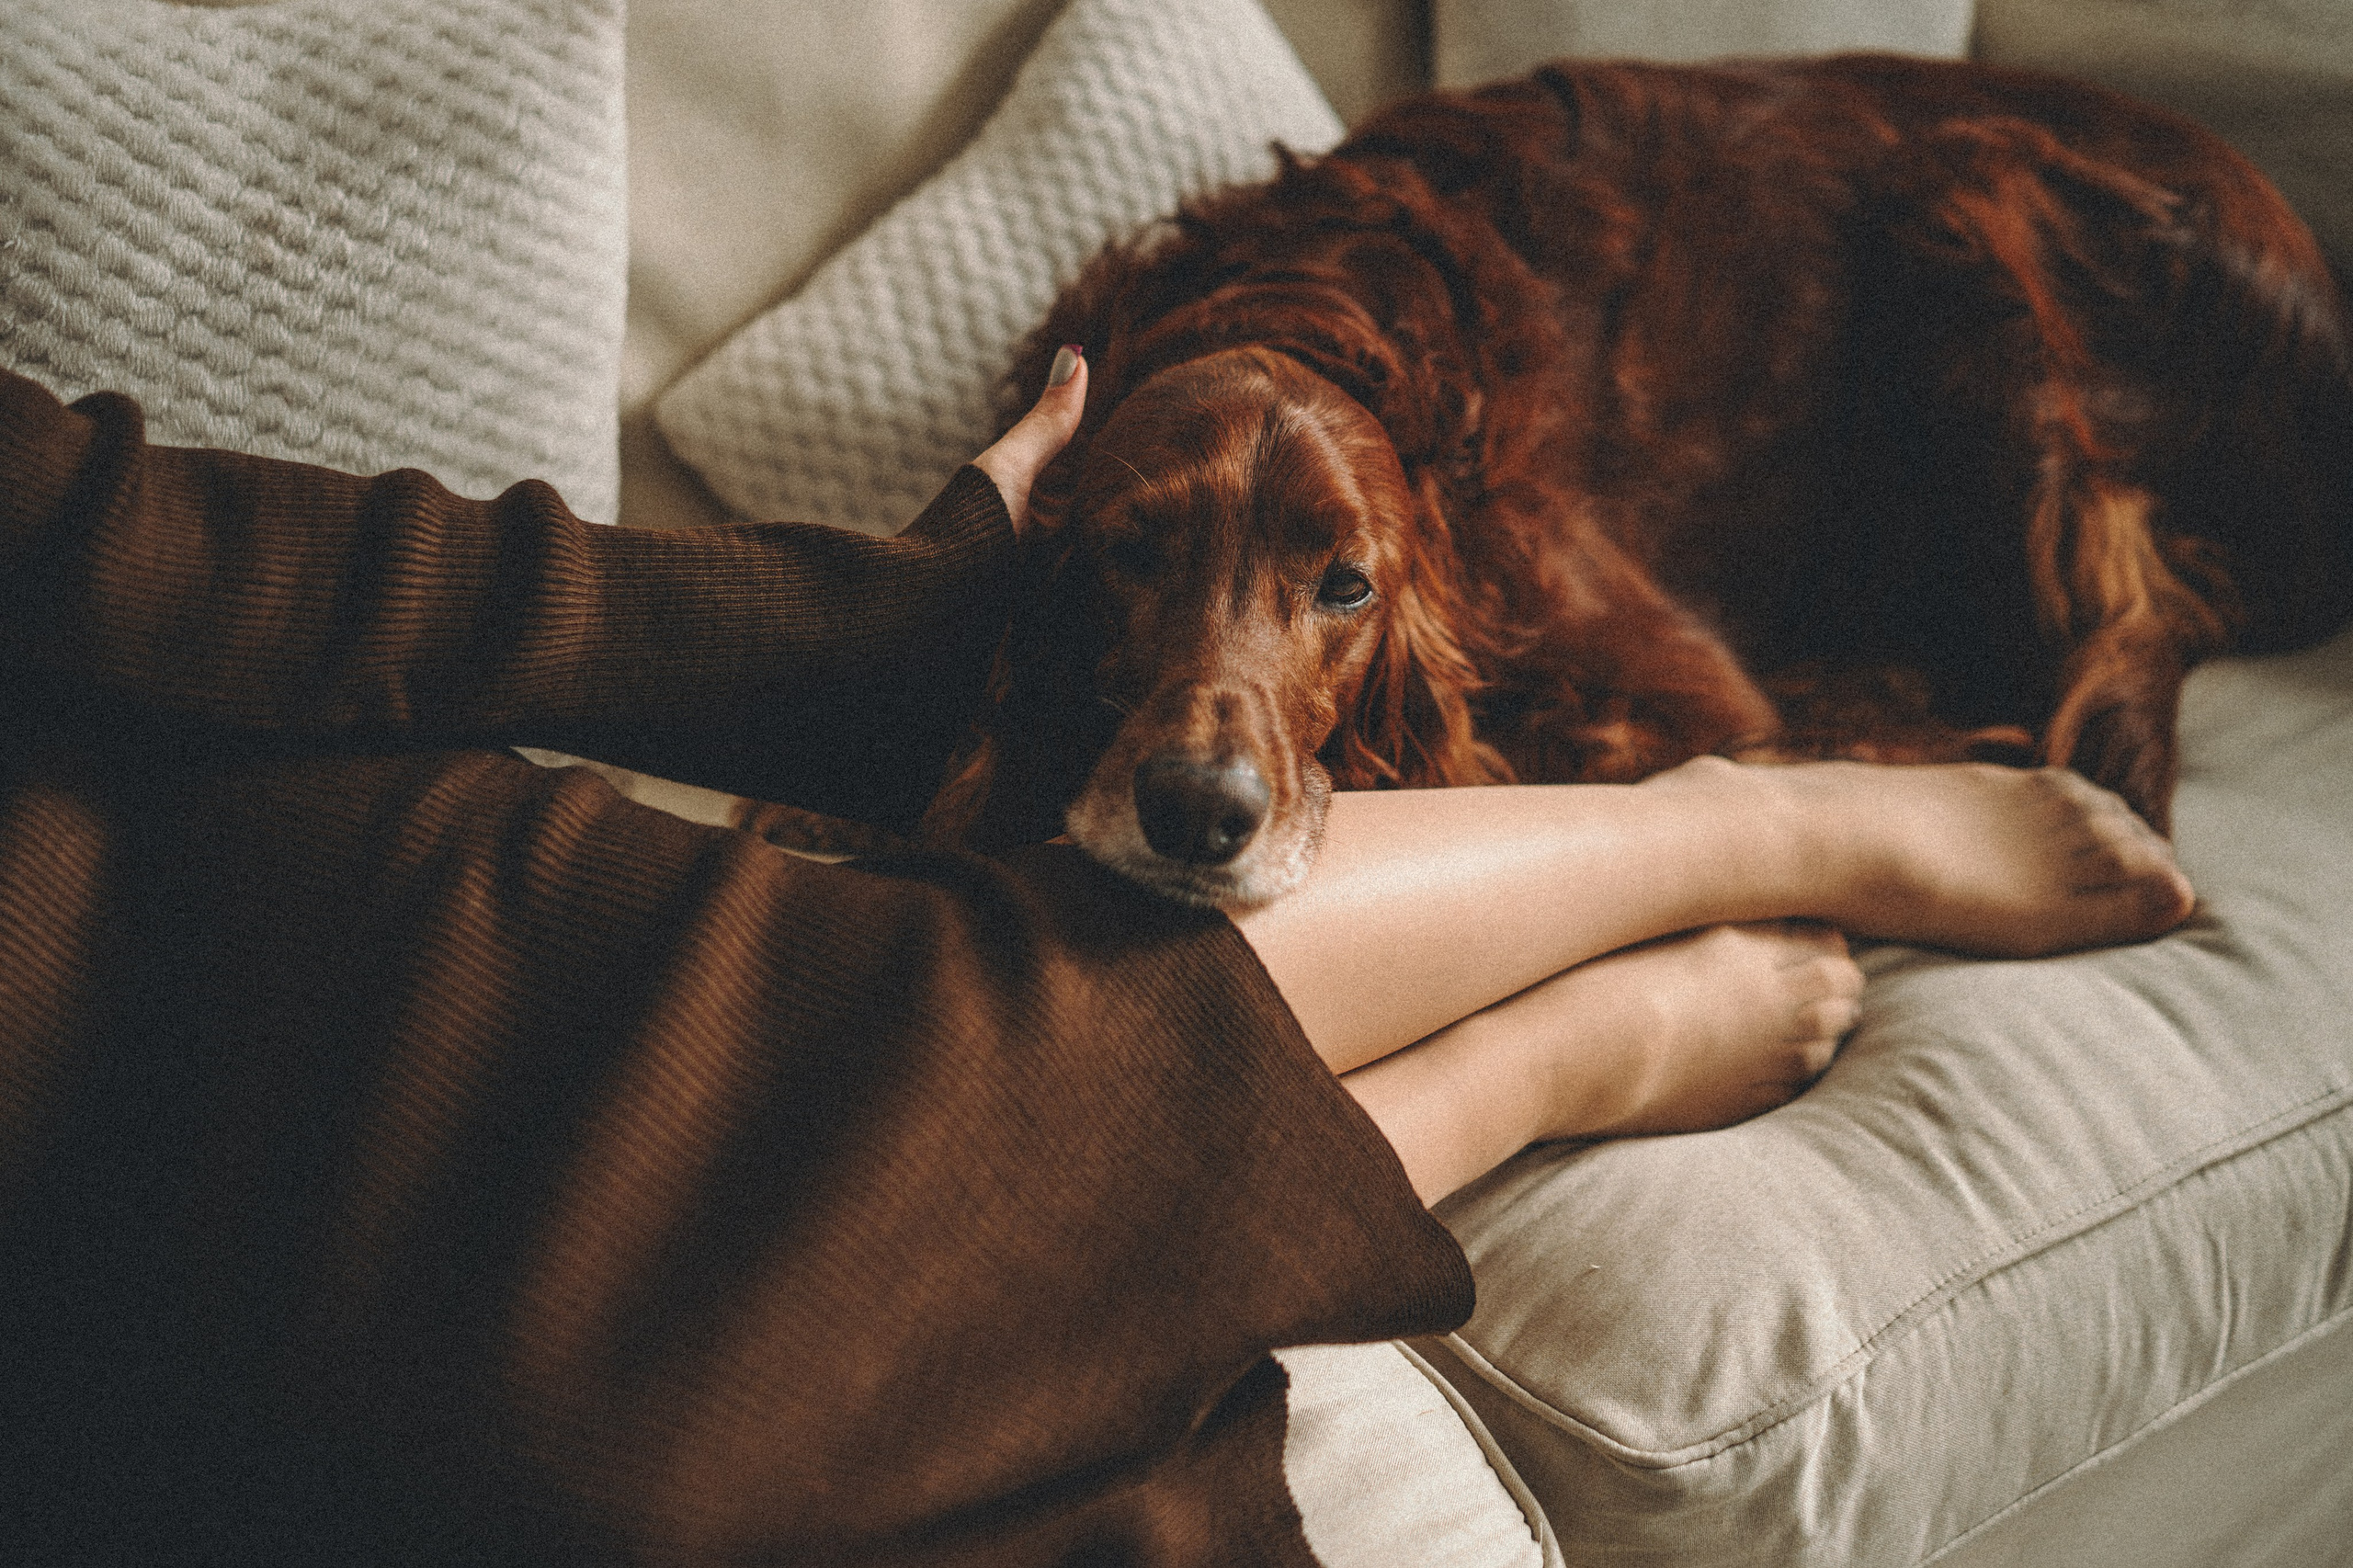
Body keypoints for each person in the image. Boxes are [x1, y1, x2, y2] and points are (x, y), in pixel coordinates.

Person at [0, 349, 2193, 1566]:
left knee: (671, 1308)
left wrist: (861, 628)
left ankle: (1724, 831)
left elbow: (119, 546)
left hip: (192, 947)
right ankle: (1507, 1071)